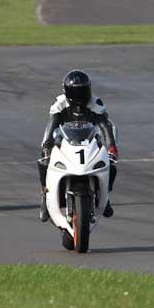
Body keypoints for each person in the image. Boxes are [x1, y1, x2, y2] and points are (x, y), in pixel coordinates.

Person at [38, 69, 118, 222]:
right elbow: (52, 123)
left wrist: (111, 147)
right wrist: (47, 145)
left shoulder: (96, 103)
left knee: (111, 162)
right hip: (64, 136)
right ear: (67, 92)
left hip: (91, 137)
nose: (79, 96)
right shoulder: (59, 103)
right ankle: (45, 195)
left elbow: (104, 126)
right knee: (43, 159)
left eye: (83, 91)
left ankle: (105, 196)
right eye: (75, 92)